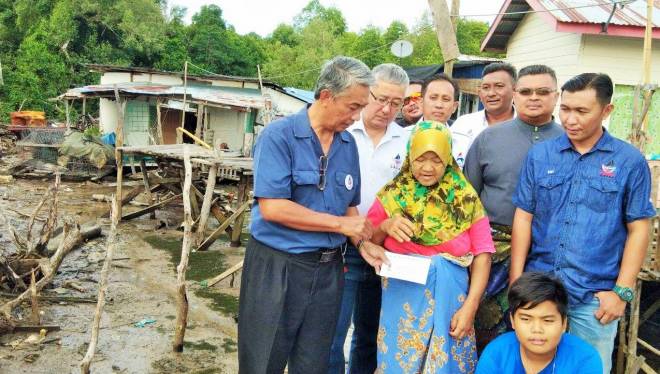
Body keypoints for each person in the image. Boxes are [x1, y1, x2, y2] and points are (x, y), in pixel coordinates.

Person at [510, 73, 656, 373]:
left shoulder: (629, 162)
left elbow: (639, 227)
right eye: (565, 109)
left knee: (588, 367)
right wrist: (517, 281)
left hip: (594, 298)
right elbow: (523, 217)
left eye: (581, 111)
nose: (570, 119)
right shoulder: (541, 155)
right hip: (540, 289)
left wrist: (621, 292)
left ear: (607, 111)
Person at [238, 56, 375, 374]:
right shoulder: (279, 136)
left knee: (314, 363)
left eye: (360, 108)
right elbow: (273, 207)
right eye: (352, 107)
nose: (356, 118)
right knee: (263, 359)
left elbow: (348, 205)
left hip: (327, 270)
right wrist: (341, 224)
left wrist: (363, 241)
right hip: (278, 266)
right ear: (326, 95)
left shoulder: (347, 144)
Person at [359, 121, 494, 373]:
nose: (428, 168)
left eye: (437, 160)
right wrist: (385, 226)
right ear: (410, 156)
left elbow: (483, 255)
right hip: (402, 301)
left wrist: (470, 307)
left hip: (452, 302)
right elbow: (368, 244)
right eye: (421, 159)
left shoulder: (465, 198)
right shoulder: (392, 195)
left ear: (448, 159)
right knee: (399, 364)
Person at [463, 64, 564, 350]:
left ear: (556, 96)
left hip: (548, 250)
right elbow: (467, 199)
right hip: (493, 249)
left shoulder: (569, 141)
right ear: (515, 95)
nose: (534, 98)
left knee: (540, 332)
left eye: (543, 92)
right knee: (486, 329)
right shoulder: (488, 139)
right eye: (526, 91)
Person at [328, 63, 410, 374]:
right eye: (380, 99)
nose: (387, 109)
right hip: (341, 246)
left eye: (396, 103)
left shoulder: (406, 142)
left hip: (386, 249)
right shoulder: (342, 132)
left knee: (371, 333)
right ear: (366, 92)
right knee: (333, 333)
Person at [476, 272, 603, 373]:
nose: (537, 329)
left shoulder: (584, 358)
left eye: (547, 320)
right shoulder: (497, 353)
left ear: (564, 323)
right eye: (526, 319)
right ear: (512, 321)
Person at [451, 62, 517, 169]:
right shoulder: (462, 124)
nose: (491, 93)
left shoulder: (526, 127)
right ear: (479, 93)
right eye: (486, 87)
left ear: (515, 90)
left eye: (499, 86)